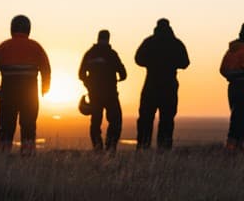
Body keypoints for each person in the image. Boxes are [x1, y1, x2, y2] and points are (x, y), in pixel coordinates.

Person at [0, 14, 51, 155]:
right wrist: (45, 88)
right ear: (28, 29)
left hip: (8, 93)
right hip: (29, 94)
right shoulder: (36, 47)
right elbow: (46, 69)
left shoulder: (3, 47)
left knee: (6, 125)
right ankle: (27, 155)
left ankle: (4, 154)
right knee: (28, 125)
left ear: (12, 28)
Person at [133, 18, 190, 150]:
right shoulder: (176, 43)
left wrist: (151, 63)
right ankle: (164, 150)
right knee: (167, 120)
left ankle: (143, 148)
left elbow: (138, 59)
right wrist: (171, 63)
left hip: (151, 85)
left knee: (146, 119)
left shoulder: (149, 42)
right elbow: (185, 63)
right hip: (169, 86)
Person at [78, 29, 128, 152]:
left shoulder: (90, 53)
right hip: (111, 94)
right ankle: (110, 147)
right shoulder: (112, 54)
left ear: (98, 38)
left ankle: (98, 148)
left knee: (95, 123)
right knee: (115, 121)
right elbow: (123, 74)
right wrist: (117, 79)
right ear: (108, 39)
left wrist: (88, 84)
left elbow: (81, 74)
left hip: (94, 94)